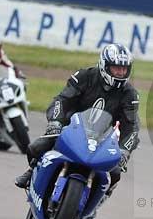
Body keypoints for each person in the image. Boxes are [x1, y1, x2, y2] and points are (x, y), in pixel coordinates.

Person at [14, 43, 140, 205]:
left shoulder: (130, 93)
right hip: (72, 128)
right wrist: (55, 122)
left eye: (124, 69)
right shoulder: (84, 76)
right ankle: (32, 171)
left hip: (103, 138)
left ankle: (101, 196)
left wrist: (124, 151)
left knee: (115, 172)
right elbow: (62, 100)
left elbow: (132, 126)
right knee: (36, 148)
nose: (120, 73)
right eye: (116, 68)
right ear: (104, 65)